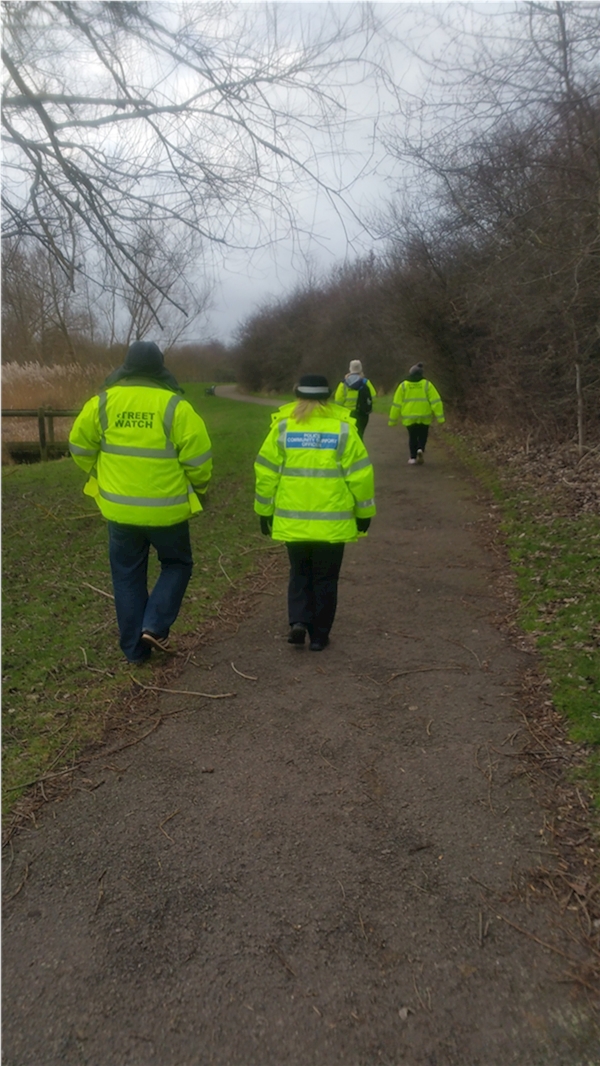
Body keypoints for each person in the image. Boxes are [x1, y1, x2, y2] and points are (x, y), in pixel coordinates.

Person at [69, 341, 212, 663]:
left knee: (127, 576)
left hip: (119, 510)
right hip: (168, 510)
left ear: (126, 367)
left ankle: (135, 651)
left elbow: (78, 447)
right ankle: (155, 625)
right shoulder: (176, 406)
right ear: (160, 369)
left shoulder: (102, 403)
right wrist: (200, 488)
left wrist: (101, 473)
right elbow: (199, 460)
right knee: (177, 564)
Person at [254, 374, 376, 651]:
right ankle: (319, 636)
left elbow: (265, 472)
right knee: (326, 578)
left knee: (299, 572)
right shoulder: (343, 429)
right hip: (332, 522)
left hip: (293, 519)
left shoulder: (283, 427)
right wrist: (364, 512)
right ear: (328, 396)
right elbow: (360, 475)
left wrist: (265, 510)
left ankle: (298, 621)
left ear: (297, 395)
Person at [388, 362, 445, 464]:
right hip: (424, 415)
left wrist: (393, 420)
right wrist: (440, 417)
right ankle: (420, 448)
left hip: (409, 416)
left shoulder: (403, 386)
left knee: (412, 436)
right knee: (423, 434)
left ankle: (413, 457)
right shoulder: (427, 384)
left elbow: (396, 404)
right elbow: (436, 401)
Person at [334, 360, 377, 440]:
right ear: (361, 369)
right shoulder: (365, 382)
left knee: (349, 436)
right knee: (360, 435)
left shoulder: (343, 384)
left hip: (347, 414)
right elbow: (373, 398)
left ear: (350, 369)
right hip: (362, 414)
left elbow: (338, 401)